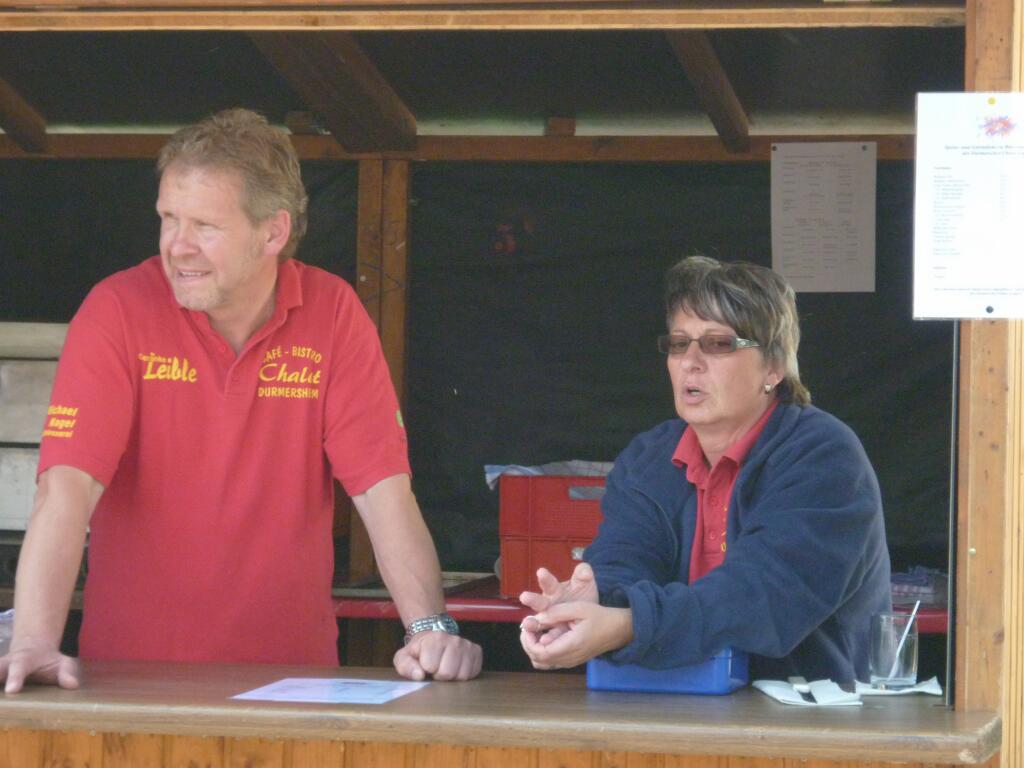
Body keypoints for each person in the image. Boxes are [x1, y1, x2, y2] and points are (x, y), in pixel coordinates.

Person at [0, 108, 481, 692]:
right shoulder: (117, 308)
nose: (178, 246)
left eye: (205, 226)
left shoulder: (332, 311)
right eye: (168, 219)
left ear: (273, 232)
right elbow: (66, 489)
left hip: (295, 685)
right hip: (130, 685)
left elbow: (382, 490)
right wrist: (32, 641)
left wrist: (429, 630)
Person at [519, 255, 890, 683]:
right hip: (673, 703)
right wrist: (591, 601)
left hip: (812, 710)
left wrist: (629, 625)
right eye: (679, 344)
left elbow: (762, 598)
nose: (690, 361)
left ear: (774, 367)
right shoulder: (649, 457)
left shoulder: (824, 455)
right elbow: (626, 560)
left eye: (718, 344)